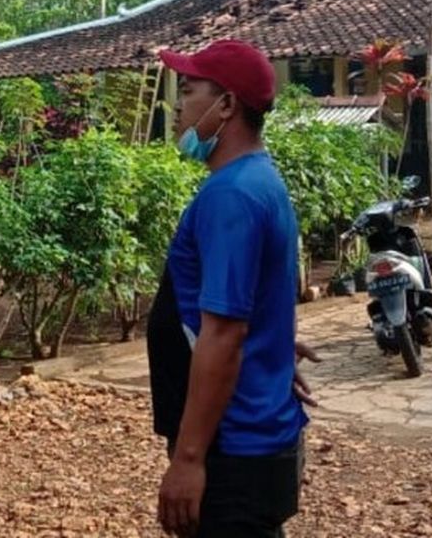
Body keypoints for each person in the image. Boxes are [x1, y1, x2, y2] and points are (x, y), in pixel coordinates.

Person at [147, 39, 315, 538]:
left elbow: (223, 334)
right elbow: (257, 298)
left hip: (233, 449)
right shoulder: (259, 180)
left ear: (226, 105)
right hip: (255, 438)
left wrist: (188, 460)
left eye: (190, 89)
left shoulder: (232, 196)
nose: (177, 104)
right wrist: (273, 347)